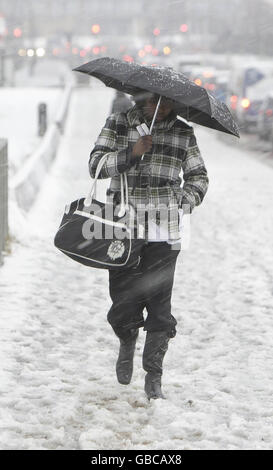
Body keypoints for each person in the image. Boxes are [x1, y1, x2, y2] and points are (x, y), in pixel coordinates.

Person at [89, 91, 209, 400]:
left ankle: (154, 375)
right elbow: (95, 166)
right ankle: (127, 339)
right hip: (121, 228)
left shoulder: (183, 132)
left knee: (160, 305)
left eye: (167, 101)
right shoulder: (118, 124)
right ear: (140, 98)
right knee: (123, 301)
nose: (161, 106)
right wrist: (131, 153)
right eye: (155, 100)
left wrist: (186, 199)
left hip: (164, 230)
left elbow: (198, 176)